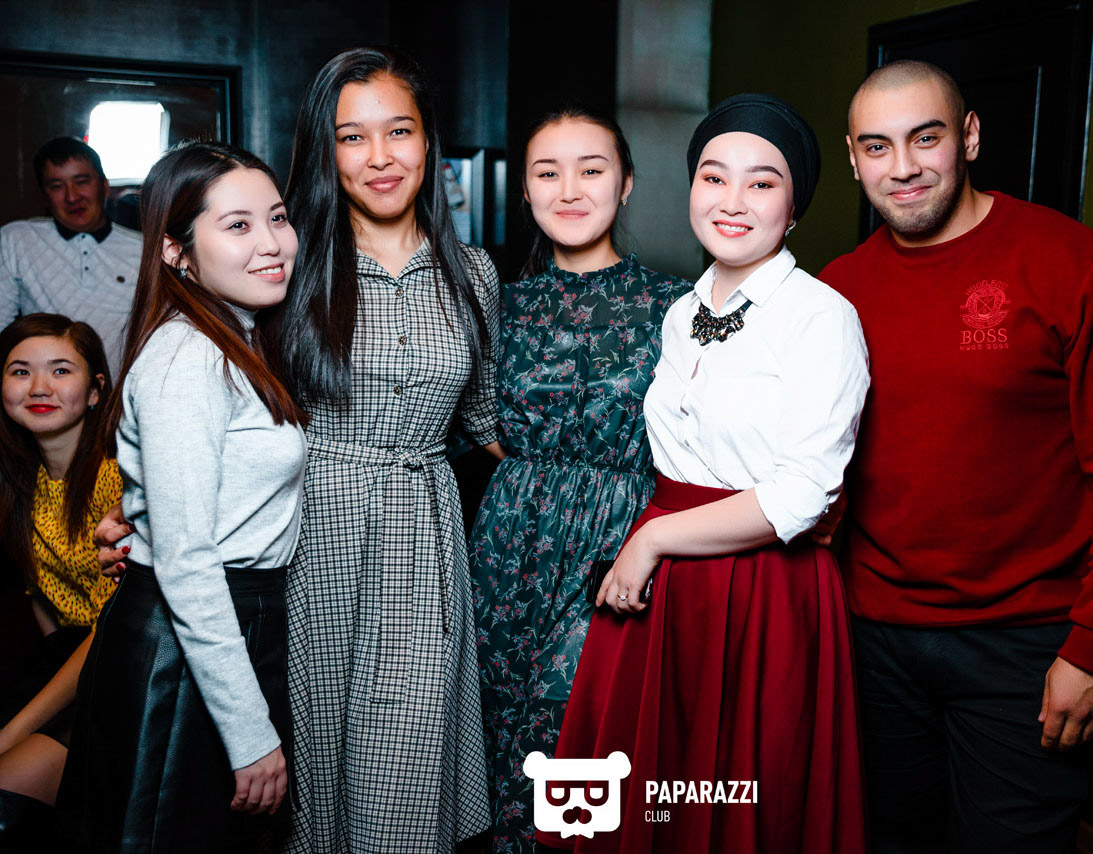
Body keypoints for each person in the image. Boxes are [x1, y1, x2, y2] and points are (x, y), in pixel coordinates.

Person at [818, 60, 1093, 853]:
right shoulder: (834, 291)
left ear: (971, 137)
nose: (902, 166)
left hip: (1027, 640)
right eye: (877, 146)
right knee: (888, 838)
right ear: (853, 158)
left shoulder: (1081, 267)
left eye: (926, 138)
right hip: (873, 636)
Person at [542, 94, 869, 853]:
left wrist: (651, 542)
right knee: (649, 804)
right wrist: (652, 545)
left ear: (794, 207)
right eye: (714, 177)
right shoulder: (682, 311)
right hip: (669, 589)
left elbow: (802, 492)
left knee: (741, 803)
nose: (732, 201)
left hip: (763, 588)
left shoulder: (820, 316)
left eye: (762, 183)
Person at [261, 47, 503, 853]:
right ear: (326, 151)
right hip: (312, 533)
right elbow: (228, 406)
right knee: (314, 747)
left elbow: (488, 421)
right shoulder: (289, 266)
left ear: (428, 139)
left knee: (406, 752)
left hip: (424, 537)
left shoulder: (474, 275)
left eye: (398, 131)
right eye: (352, 137)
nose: (380, 157)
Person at [57, 140, 306, 851]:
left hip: (228, 626)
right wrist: (250, 736)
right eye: (237, 225)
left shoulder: (239, 336)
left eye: (277, 217)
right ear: (176, 251)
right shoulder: (187, 356)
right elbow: (189, 562)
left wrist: (138, 512)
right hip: (186, 642)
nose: (271, 243)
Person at [469, 106, 688, 852]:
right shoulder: (498, 305)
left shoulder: (677, 305)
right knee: (501, 730)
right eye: (547, 172)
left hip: (618, 547)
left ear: (625, 184)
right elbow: (469, 415)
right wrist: (538, 473)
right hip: (508, 546)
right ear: (525, 191)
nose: (569, 189)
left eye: (591, 170)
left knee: (585, 736)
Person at [0, 314, 117, 843]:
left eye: (61, 370)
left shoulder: (115, 478)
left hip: (118, 674)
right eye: (20, 371)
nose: (39, 388)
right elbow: (44, 600)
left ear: (95, 392)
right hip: (66, 668)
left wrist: (15, 730)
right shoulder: (19, 481)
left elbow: (110, 630)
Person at [0, 138, 143, 373]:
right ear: (45, 196)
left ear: (105, 186)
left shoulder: (144, 249)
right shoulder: (16, 240)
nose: (72, 197)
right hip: (45, 388)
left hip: (123, 391)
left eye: (82, 182)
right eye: (56, 186)